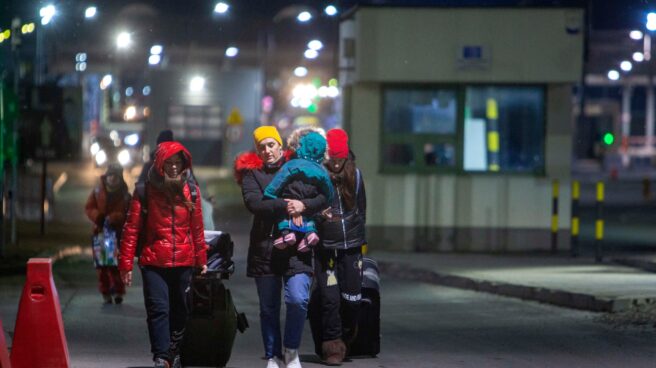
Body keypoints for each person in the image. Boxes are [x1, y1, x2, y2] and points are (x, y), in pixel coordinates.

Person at [234, 126, 327, 368]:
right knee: (268, 308)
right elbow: (255, 203)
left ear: (280, 146)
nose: (267, 150)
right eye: (262, 147)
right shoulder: (252, 176)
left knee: (298, 300)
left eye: (271, 145)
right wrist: (288, 206)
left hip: (298, 249)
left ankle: (291, 351)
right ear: (257, 151)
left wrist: (303, 205)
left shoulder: (297, 167)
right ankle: (273, 356)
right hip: (265, 248)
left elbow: (321, 196)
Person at [119, 141, 208, 368]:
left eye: (178, 163)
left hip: (184, 261)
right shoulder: (145, 191)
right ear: (160, 164)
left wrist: (202, 260)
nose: (174, 167)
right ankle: (162, 357)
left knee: (181, 311)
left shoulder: (192, 192)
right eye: (169, 163)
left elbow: (197, 230)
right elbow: (131, 229)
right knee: (158, 310)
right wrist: (125, 264)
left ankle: (173, 352)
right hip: (154, 261)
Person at [313, 129, 367, 366]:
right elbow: (310, 208)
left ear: (346, 157)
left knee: (353, 298)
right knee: (330, 299)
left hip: (352, 246)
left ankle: (346, 337)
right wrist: (319, 217)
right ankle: (332, 346)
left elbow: (362, 209)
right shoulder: (318, 175)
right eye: (332, 158)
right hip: (326, 248)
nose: (335, 163)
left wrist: (359, 236)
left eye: (339, 159)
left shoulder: (355, 175)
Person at [263, 130, 334, 253]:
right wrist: (329, 198)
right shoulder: (322, 170)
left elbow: (281, 179)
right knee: (310, 217)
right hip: (310, 196)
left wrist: (270, 193)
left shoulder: (293, 164)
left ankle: (286, 233)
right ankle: (310, 233)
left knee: (283, 215)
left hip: (291, 195)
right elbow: (328, 189)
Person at [84, 163, 131, 304]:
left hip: (117, 234)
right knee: (102, 266)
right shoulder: (98, 191)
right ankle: (105, 292)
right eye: (110, 175)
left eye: (115, 176)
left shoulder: (125, 195)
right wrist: (97, 216)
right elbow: (89, 207)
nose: (112, 179)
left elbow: (129, 213)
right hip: (100, 233)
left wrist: (115, 218)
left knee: (115, 265)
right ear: (106, 176)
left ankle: (118, 291)